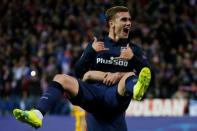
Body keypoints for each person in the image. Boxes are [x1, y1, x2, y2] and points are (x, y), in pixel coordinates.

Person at [13, 6, 152, 131]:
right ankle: (37, 114)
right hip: (93, 94)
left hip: (114, 96)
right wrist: (91, 52)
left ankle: (136, 91)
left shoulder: (132, 49)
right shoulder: (97, 44)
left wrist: (132, 60)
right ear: (112, 23)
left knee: (130, 77)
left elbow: (148, 74)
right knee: (60, 78)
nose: (129, 23)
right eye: (124, 19)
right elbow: (79, 72)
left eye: (129, 19)